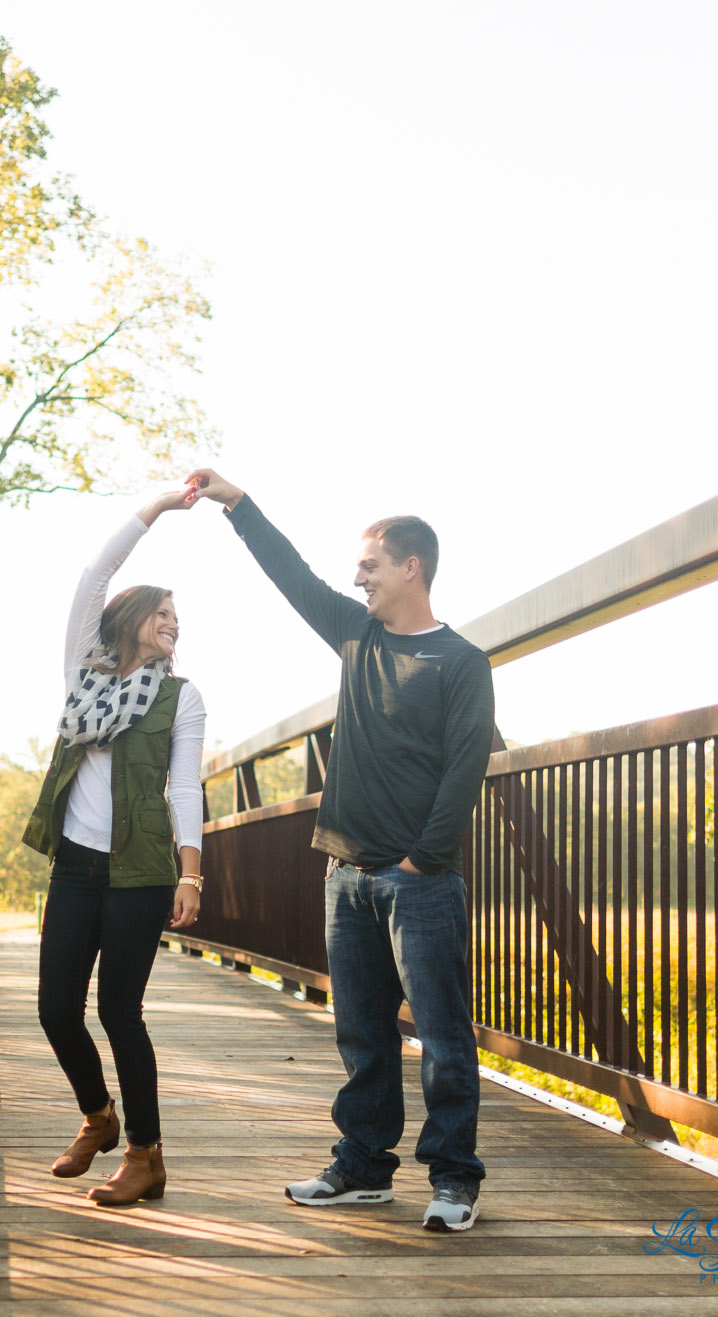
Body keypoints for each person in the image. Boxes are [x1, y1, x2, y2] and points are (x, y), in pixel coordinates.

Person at [184, 467, 494, 1233]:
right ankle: (363, 1167)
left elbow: (464, 769)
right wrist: (237, 504)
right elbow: (291, 574)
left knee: (444, 1041)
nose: (357, 577)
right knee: (361, 1033)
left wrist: (422, 857)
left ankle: (454, 1179)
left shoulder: (461, 661)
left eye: (371, 565)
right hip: (345, 876)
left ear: (411, 566)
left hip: (418, 882)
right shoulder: (355, 634)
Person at [21, 487, 207, 1207]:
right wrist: (157, 507)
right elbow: (92, 577)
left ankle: (145, 1155)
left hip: (139, 873)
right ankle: (99, 1116)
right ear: (131, 618)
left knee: (120, 1013)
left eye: (178, 619)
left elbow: (184, 788)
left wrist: (190, 872)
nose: (174, 624)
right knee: (55, 1009)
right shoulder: (85, 669)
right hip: (75, 864)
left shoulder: (180, 696)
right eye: (163, 613)